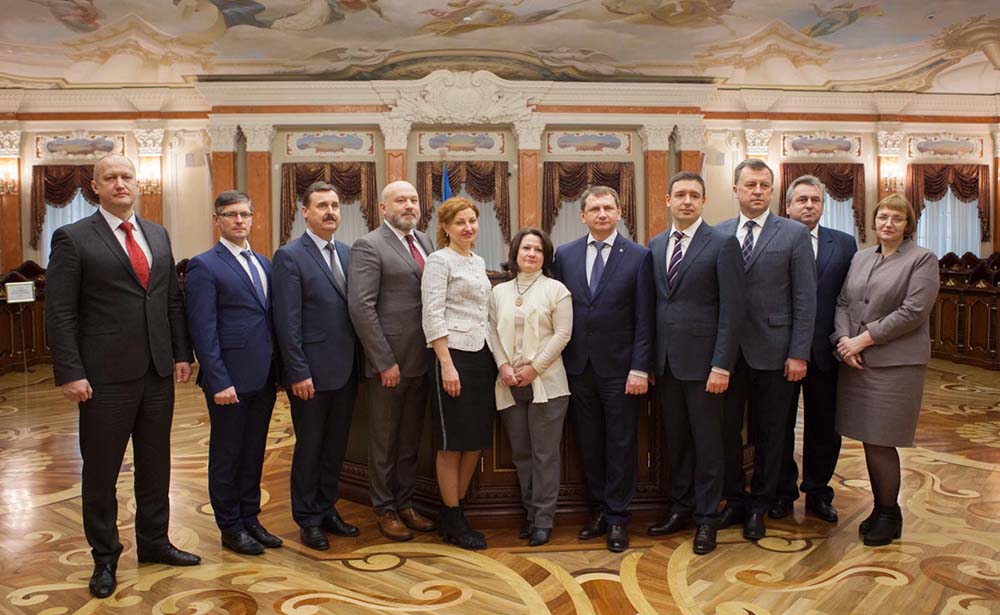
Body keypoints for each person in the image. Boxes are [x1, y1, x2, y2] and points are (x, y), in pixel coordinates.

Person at [45, 154, 199, 599]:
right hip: (103, 378)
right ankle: (105, 557)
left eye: (126, 176)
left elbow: (170, 299)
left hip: (157, 373)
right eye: (110, 178)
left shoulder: (157, 234)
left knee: (156, 465)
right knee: (101, 472)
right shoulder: (73, 237)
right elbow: (60, 311)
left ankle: (154, 541)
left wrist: (181, 353)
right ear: (95, 187)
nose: (119, 183)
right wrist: (70, 372)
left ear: (138, 183)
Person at [716, 159, 817, 541]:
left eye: (764, 185)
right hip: (728, 354)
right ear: (736, 190)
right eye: (750, 185)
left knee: (773, 432)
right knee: (726, 430)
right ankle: (734, 500)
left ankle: (760, 504)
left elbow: (805, 298)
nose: (757, 191)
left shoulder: (793, 234)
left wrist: (799, 352)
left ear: (772, 191)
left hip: (776, 353)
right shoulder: (719, 233)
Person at [552, 185, 655, 553]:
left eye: (608, 208)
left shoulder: (639, 256)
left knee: (621, 443)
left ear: (619, 212)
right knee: (589, 442)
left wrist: (640, 367)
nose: (601, 214)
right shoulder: (565, 255)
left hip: (621, 369)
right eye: (594, 209)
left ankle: (617, 518)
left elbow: (645, 317)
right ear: (582, 215)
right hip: (578, 366)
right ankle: (598, 509)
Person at [646, 172, 744, 555]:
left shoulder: (722, 244)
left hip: (706, 367)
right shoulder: (656, 245)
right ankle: (681, 508)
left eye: (694, 195)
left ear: (703, 201)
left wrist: (722, 364)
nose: (687, 201)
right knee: (677, 442)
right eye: (680, 194)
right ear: (667, 200)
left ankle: (707, 518)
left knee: (708, 444)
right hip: (667, 364)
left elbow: (733, 310)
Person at [832, 194, 939, 546]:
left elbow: (913, 312)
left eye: (896, 218)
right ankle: (880, 509)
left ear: (908, 225)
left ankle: (891, 513)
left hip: (895, 365)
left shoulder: (922, 259)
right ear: (874, 221)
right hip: (857, 361)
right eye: (882, 217)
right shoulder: (861, 257)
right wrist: (843, 341)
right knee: (869, 438)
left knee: (882, 439)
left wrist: (862, 341)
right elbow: (843, 302)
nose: (888, 223)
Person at [184, 190, 281, 555]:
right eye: (230, 214)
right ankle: (231, 526)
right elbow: (203, 329)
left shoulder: (264, 263)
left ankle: (251, 519)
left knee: (254, 451)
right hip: (229, 380)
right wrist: (218, 379)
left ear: (253, 218)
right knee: (228, 454)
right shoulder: (205, 265)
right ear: (217, 220)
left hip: (264, 375)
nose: (239, 220)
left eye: (244, 214)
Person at [272, 181, 360, 551]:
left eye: (335, 205)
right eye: (322, 206)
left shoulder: (348, 253)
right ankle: (307, 519)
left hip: (347, 370)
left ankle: (327, 509)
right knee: (310, 447)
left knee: (335, 447)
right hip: (311, 373)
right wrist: (297, 371)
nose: (330, 212)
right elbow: (287, 321)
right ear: (305, 212)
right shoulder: (290, 256)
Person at [348, 180, 437, 542]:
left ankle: (405, 503)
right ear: (383, 208)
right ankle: (384, 508)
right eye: (401, 200)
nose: (409, 206)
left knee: (410, 440)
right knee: (384, 441)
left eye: (414, 199)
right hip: (389, 364)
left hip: (423, 359)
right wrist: (383, 361)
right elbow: (362, 307)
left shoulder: (425, 241)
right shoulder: (369, 245)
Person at [773, 176, 857, 523]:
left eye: (815, 200)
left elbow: (849, 297)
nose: (809, 205)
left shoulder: (844, 243)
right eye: (802, 199)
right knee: (778, 426)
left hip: (825, 350)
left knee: (825, 427)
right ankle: (782, 491)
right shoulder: (772, 238)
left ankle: (818, 492)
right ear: (788, 206)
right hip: (779, 350)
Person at [421, 196, 496, 550]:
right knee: (452, 443)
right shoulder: (439, 260)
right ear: (446, 228)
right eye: (460, 222)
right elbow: (432, 313)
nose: (468, 227)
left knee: (475, 441)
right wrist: (446, 364)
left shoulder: (478, 261)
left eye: (472, 221)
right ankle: (453, 517)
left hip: (481, 357)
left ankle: (456, 510)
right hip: (452, 358)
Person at [490, 228, 573, 547]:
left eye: (538, 250)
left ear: (545, 256)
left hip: (547, 385)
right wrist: (504, 366)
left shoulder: (557, 290)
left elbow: (562, 334)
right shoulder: (499, 292)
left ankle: (544, 519)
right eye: (526, 248)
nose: (531, 254)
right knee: (522, 454)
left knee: (544, 455)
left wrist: (534, 368)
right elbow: (491, 332)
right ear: (515, 253)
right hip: (509, 382)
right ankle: (529, 514)